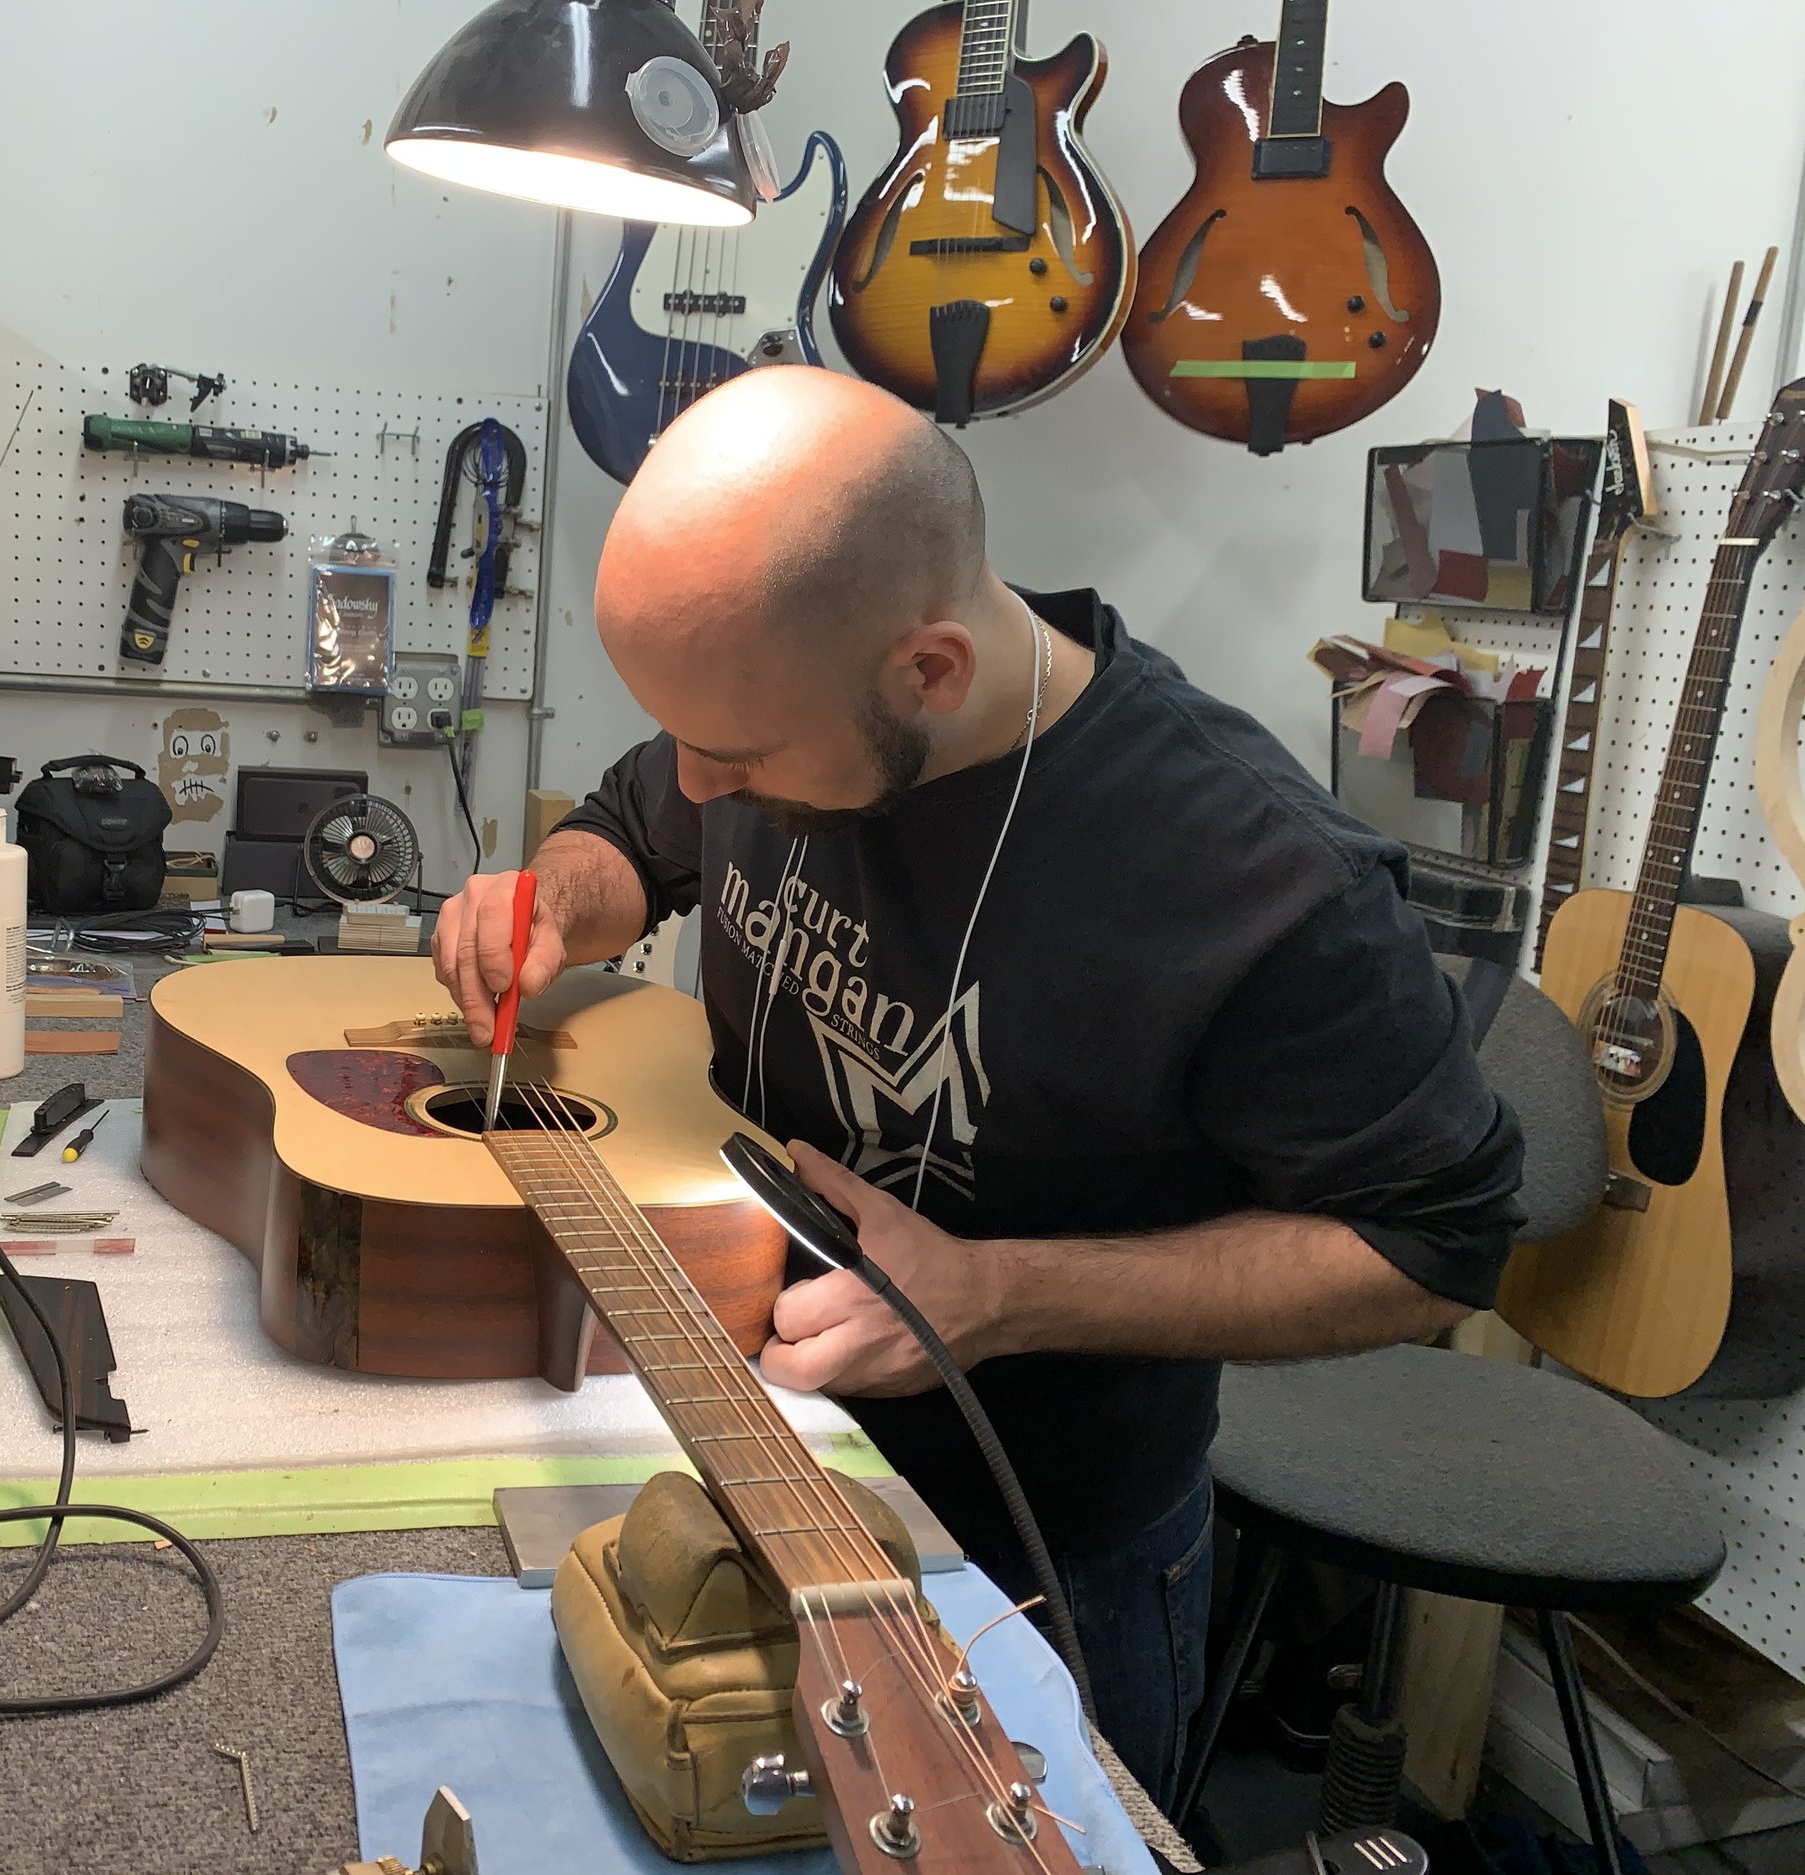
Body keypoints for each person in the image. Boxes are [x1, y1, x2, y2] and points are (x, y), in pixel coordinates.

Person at [429, 367, 1522, 1807]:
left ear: (927, 670)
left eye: (740, 759)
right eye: (686, 739)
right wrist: (555, 900)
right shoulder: (779, 695)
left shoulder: (1262, 883)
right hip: (724, 1443)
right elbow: (639, 826)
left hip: (1035, 1551)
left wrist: (996, 1294)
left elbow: (1435, 1243)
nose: (701, 787)